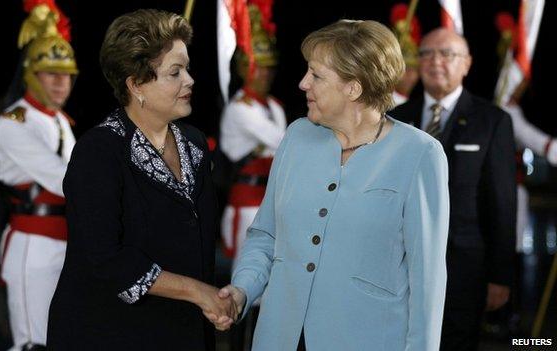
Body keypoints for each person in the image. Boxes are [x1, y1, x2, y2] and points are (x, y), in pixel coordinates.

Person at [218, 19, 450, 350]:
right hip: (279, 338)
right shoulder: (297, 136)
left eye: (316, 75)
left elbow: (427, 280)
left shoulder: (420, 154)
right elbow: (266, 236)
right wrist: (242, 290)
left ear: (353, 87)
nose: (302, 83)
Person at [47, 9, 236, 350]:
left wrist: (212, 301)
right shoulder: (99, 151)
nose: (190, 80)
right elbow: (105, 258)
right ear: (135, 85)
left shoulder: (194, 143)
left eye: (187, 69)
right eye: (174, 72)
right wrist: (197, 291)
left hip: (184, 332)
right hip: (109, 334)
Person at [389, 28, 517, 351]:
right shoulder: (395, 119)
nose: (436, 62)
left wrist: (500, 276)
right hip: (400, 268)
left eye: (447, 54)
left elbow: (502, 204)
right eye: (427, 54)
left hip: (464, 270)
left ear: (467, 64)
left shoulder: (492, 121)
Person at [0, 2, 78, 349]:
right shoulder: (13, 123)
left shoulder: (58, 121)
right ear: (31, 74)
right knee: (33, 344)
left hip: (64, 241)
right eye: (52, 74)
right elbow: (65, 179)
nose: (62, 83)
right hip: (34, 244)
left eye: (67, 74)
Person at [218, 3, 286, 349]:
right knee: (246, 289)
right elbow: (284, 143)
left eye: (269, 68)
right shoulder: (240, 109)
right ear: (245, 67)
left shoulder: (273, 106)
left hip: (271, 203)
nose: (264, 74)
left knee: (271, 289)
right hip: (245, 206)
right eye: (258, 68)